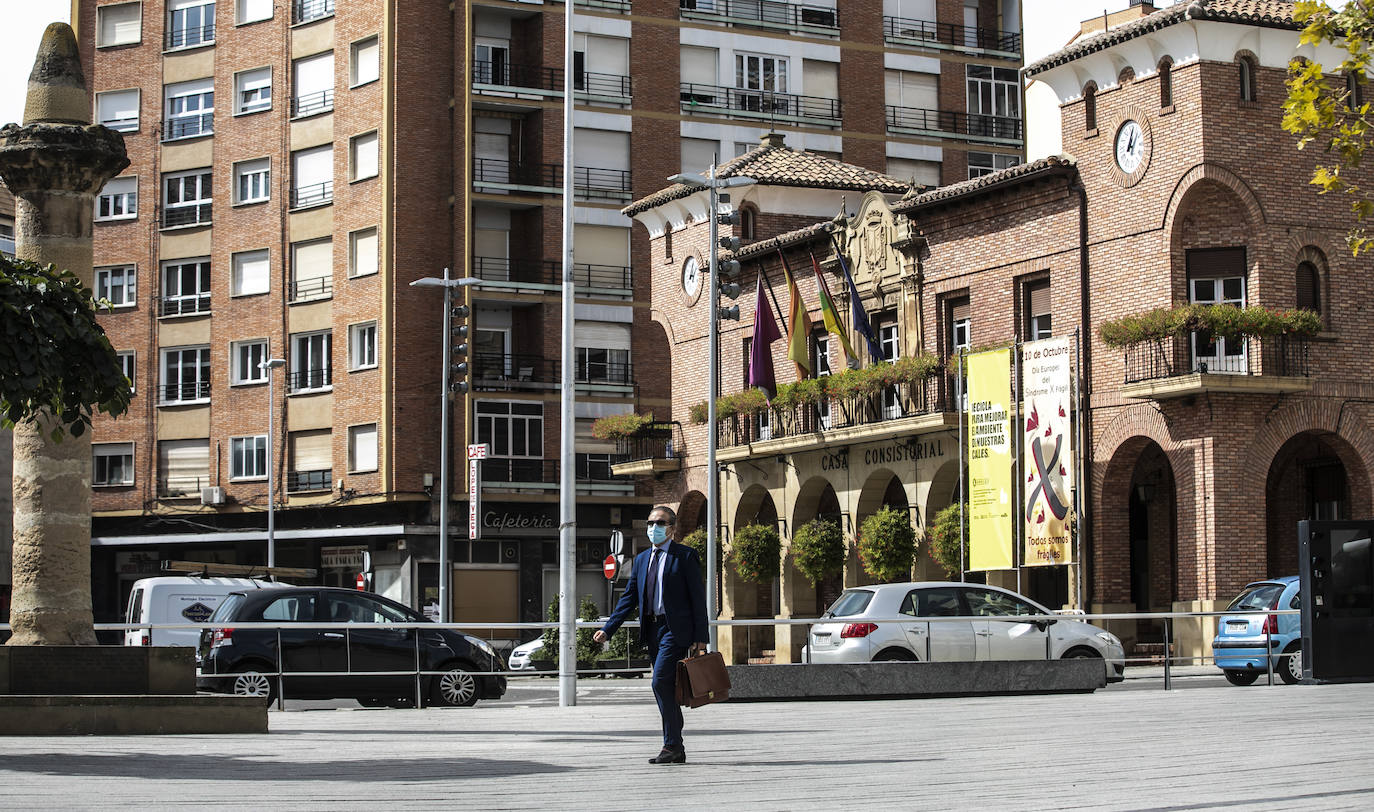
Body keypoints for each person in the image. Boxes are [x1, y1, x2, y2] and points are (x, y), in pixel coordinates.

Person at [594, 505, 708, 764]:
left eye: (659, 523)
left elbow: (697, 599)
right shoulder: (643, 558)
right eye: (650, 523)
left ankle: (671, 744)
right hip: (652, 629)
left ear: (672, 528)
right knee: (663, 687)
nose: (653, 528)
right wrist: (608, 628)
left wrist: (701, 638)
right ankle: (675, 746)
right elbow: (629, 598)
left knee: (658, 682)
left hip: (675, 630)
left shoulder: (686, 556)